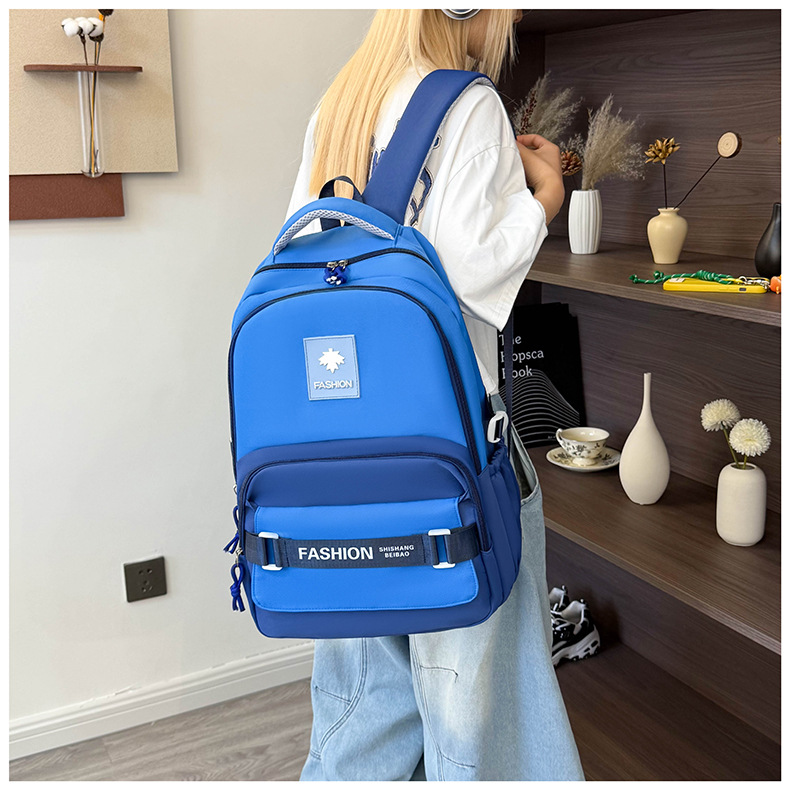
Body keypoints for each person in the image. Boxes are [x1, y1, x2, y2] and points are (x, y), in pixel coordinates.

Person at [283, 9, 584, 782]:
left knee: (362, 709)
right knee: (479, 711)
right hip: (451, 454)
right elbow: (471, 281)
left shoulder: (341, 102)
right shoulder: (468, 102)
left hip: (341, 458)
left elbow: (301, 260)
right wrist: (544, 198)